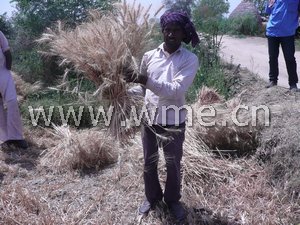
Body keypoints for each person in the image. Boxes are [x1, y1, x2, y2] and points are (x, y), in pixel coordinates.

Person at [124, 11, 200, 222]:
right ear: (162, 31)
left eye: (176, 30)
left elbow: (175, 90)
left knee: (173, 163)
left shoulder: (189, 59)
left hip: (173, 120)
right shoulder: (149, 56)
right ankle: (152, 198)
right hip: (149, 119)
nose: (171, 34)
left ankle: (173, 200)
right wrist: (120, 93)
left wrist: (143, 79)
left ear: (183, 33)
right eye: (167, 30)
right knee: (149, 161)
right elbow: (142, 89)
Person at [0, 30, 28, 149]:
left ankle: (17, 137)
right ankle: (5, 138)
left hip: (3, 71)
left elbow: (7, 51)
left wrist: (8, 70)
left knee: (12, 102)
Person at [265, 0, 300, 90]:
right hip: (272, 31)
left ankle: (293, 84)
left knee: (290, 58)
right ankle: (273, 80)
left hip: (288, 33)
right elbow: (268, 11)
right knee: (272, 57)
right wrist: (270, 4)